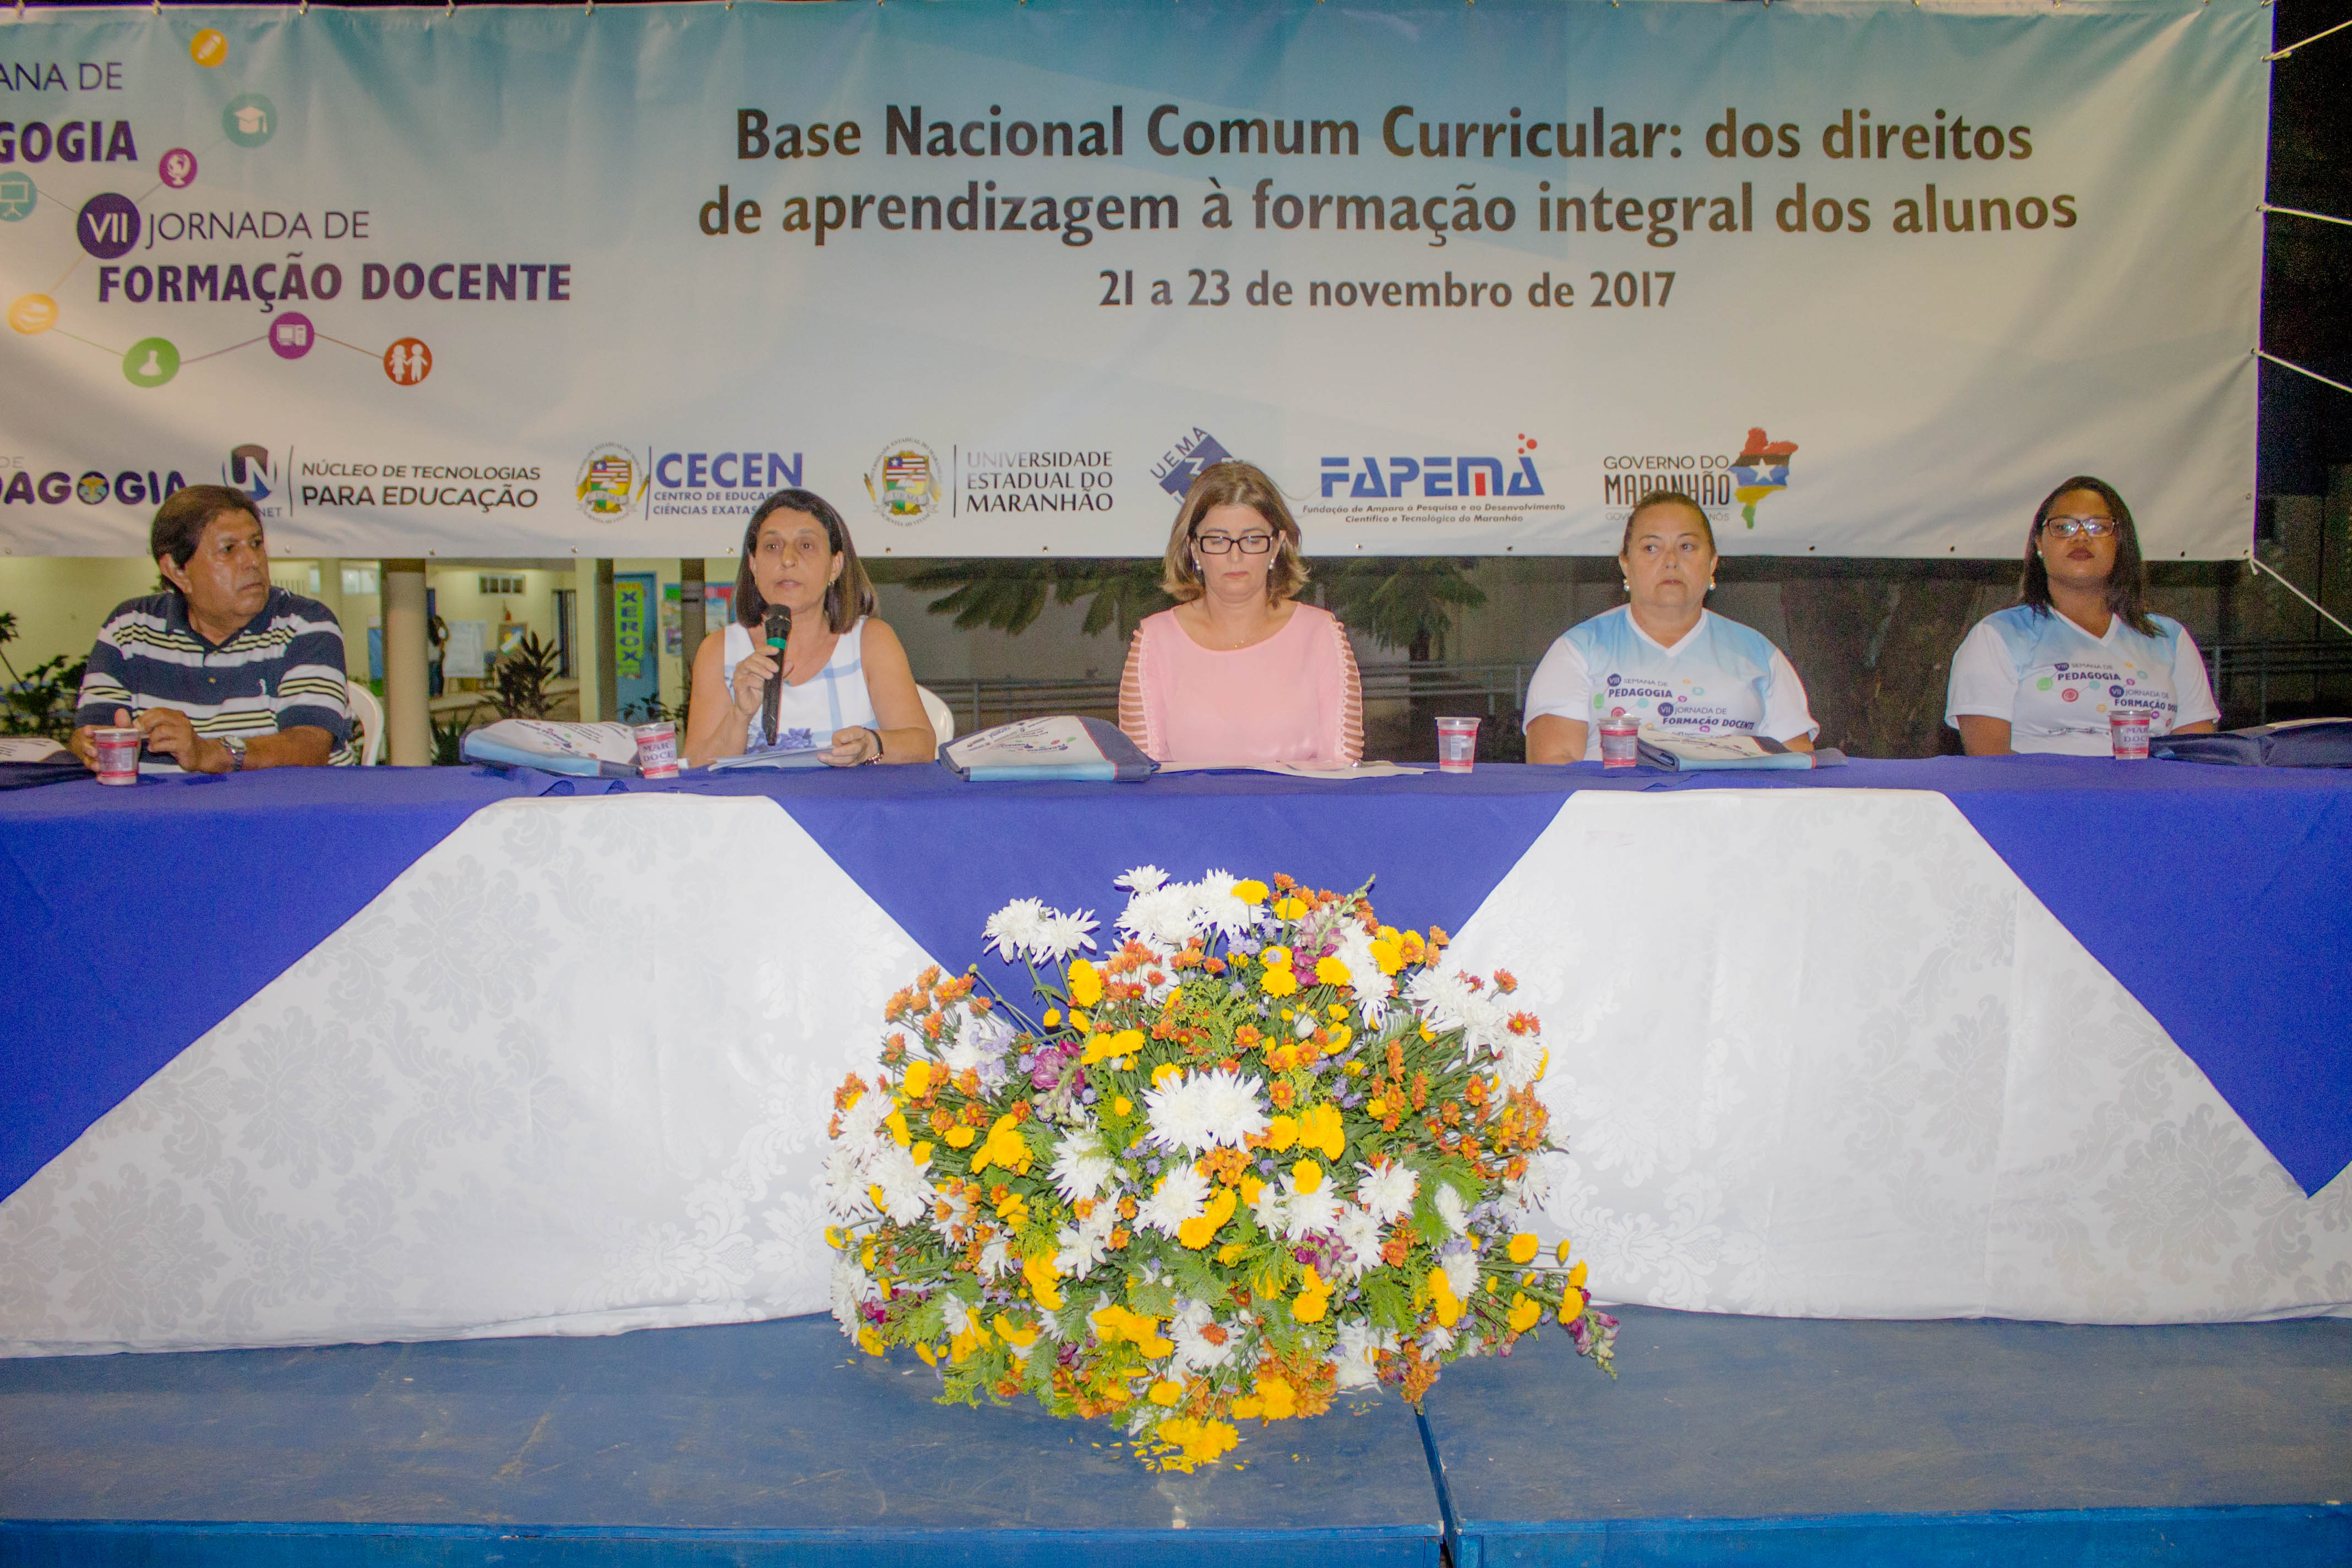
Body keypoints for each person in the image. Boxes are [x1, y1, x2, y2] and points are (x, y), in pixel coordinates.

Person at [68, 483, 353, 774]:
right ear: (178, 571)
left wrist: (209, 753)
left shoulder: (306, 624)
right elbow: (90, 733)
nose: (253, 561)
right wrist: (94, 747)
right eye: (229, 550)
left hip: (282, 803)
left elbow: (309, 746)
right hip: (156, 803)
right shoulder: (129, 628)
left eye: (256, 544)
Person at [1524, 489, 1817, 763]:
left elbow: (1798, 767)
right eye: (1651, 547)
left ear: (1712, 563)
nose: (1671, 561)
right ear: (1626, 564)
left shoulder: (1760, 655)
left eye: (1687, 546)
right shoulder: (1578, 650)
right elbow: (1553, 768)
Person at [1945, 476, 2219, 755]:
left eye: (2098, 527)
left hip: (2148, 784)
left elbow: (2197, 757)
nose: (2081, 537)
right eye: (2063, 527)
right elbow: (1990, 761)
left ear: (2120, 544)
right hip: (2040, 784)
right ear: (2040, 544)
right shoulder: (1996, 635)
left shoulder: (2169, 638)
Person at [1117, 460, 1364, 766]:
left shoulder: (1322, 634)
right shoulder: (1154, 641)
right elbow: (1144, 776)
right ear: (1193, 548)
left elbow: (1343, 771)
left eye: (1252, 540)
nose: (1235, 556)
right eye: (1218, 540)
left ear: (1277, 546)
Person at [682, 488, 934, 767]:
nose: (787, 560)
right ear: (753, 564)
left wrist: (871, 745)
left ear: (835, 566)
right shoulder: (719, 650)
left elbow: (921, 746)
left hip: (851, 797)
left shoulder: (872, 641)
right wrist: (739, 716)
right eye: (772, 547)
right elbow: (695, 769)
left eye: (806, 546)